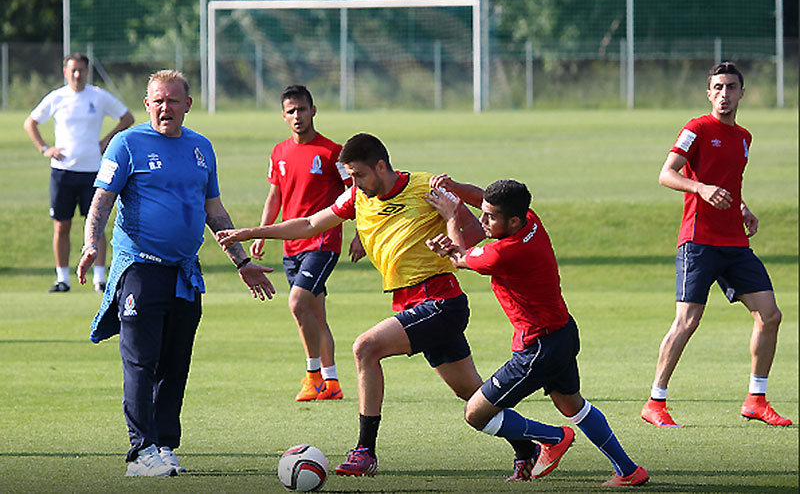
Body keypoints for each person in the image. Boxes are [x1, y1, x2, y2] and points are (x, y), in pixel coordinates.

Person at [217, 133, 490, 478]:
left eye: (359, 175)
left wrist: (463, 228)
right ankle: (538, 442)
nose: (354, 183)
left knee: (365, 347)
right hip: (412, 303)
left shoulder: (426, 187)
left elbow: (485, 218)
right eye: (351, 177)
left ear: (380, 166)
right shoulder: (358, 197)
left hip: (441, 300)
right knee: (474, 397)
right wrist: (253, 232)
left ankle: (365, 451)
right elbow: (310, 224)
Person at [76, 70, 276, 477]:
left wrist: (242, 261)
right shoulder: (127, 143)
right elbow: (101, 201)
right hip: (140, 269)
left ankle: (164, 445)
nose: (165, 107)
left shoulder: (201, 148)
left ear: (188, 103)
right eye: (157, 100)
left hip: (185, 274)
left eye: (173, 100)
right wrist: (91, 243)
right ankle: (139, 452)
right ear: (147, 104)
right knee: (140, 361)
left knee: (175, 363)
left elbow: (214, 211)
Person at [425, 176, 649, 487]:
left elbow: (461, 257)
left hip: (539, 347)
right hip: (562, 333)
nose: (482, 220)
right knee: (574, 406)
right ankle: (628, 471)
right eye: (484, 213)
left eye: (490, 217)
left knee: (475, 414)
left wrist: (451, 217)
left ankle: (554, 438)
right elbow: (482, 199)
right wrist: (454, 189)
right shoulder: (530, 220)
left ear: (513, 220)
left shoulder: (504, 253)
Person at [640, 62, 791, 428]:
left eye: (732, 87)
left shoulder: (744, 137)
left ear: (742, 92)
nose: (725, 94)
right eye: (718, 87)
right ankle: (655, 401)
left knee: (770, 315)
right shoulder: (696, 129)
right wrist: (701, 188)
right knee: (687, 321)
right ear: (709, 93)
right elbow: (667, 173)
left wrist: (742, 208)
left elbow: (728, 182)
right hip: (699, 241)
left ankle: (756, 399)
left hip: (735, 243)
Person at [251, 85, 360, 401]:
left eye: (302, 109)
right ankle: (332, 382)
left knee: (297, 302)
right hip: (291, 246)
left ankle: (312, 377)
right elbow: (275, 196)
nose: (297, 116)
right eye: (291, 111)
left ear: (314, 110)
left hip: (323, 241)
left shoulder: (332, 153)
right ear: (283, 116)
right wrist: (262, 231)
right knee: (314, 314)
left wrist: (359, 236)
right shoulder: (279, 152)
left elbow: (357, 194)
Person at [24, 52, 134, 293]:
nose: (77, 74)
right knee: (61, 226)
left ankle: (100, 278)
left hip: (93, 171)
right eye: (72, 70)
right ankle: (62, 278)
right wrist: (45, 148)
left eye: (81, 70)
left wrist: (107, 140)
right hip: (63, 171)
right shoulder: (57, 97)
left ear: (87, 71)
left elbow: (127, 117)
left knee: (96, 224)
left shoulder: (98, 96)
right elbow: (30, 122)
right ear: (65, 72)